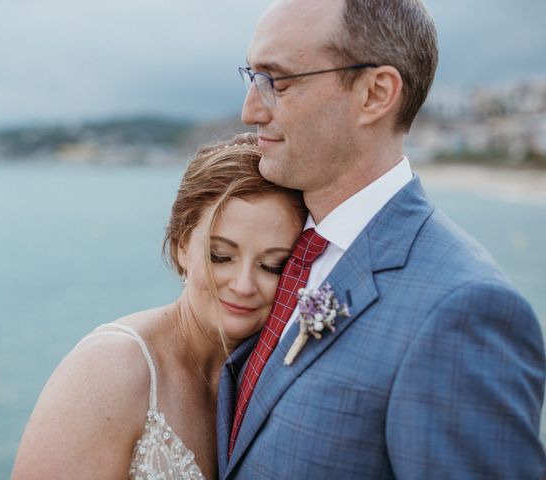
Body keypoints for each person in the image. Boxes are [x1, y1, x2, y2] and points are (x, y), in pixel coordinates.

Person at [217, 1, 546, 478]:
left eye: (278, 81)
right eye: (252, 76)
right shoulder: (281, 254)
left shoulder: (461, 311)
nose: (250, 110)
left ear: (374, 93)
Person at [11, 133, 307, 479]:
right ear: (182, 246)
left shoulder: (275, 375)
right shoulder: (111, 369)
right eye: (220, 256)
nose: (243, 285)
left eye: (272, 265)